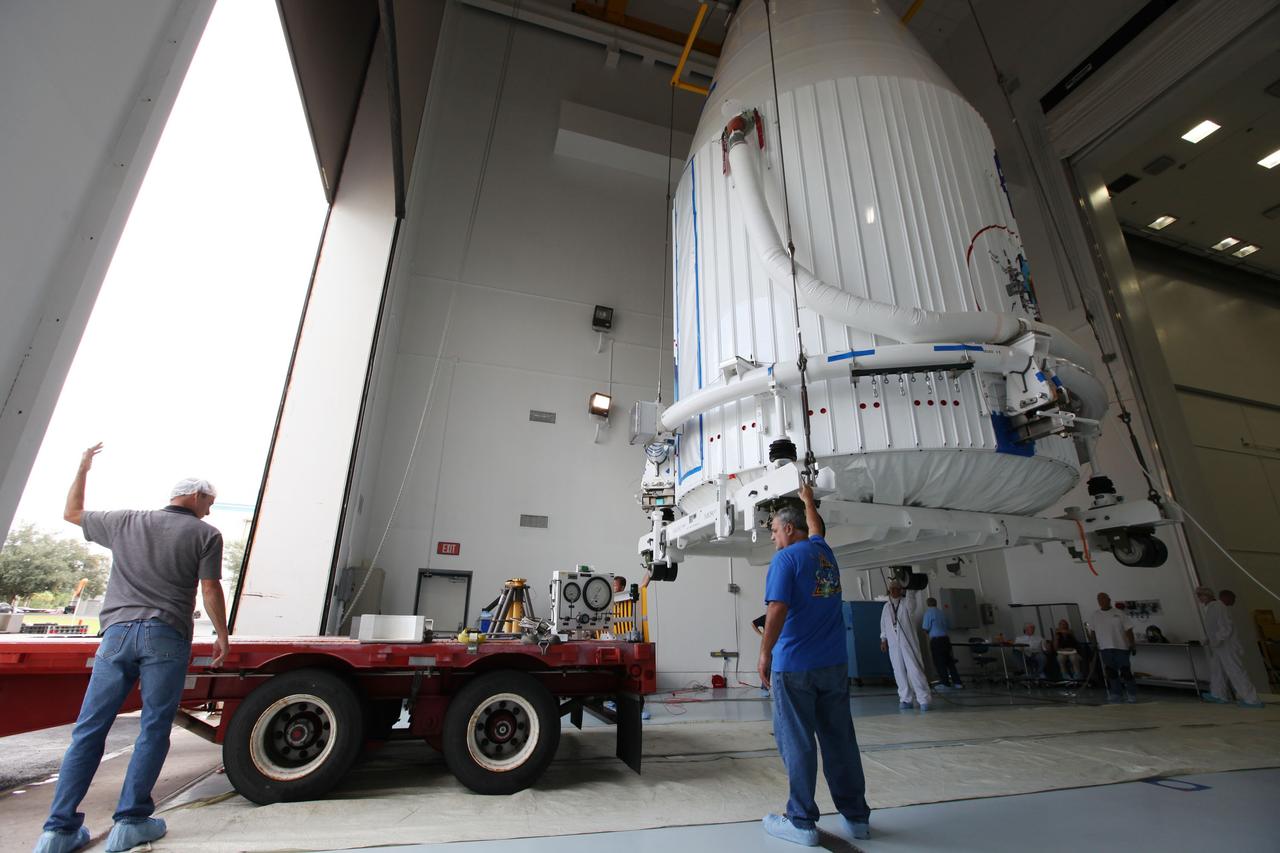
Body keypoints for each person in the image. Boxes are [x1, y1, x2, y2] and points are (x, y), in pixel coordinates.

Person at [35, 444, 229, 853]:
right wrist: (222, 635)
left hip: (117, 634)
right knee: (154, 729)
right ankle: (130, 822)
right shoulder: (206, 534)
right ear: (195, 497)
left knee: (89, 730)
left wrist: (82, 468)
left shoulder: (124, 521)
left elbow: (72, 513)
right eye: (209, 501)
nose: (210, 510)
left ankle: (57, 831)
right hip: (166, 634)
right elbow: (210, 588)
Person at [758, 484, 871, 845]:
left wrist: (764, 654)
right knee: (840, 740)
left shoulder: (785, 560)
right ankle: (856, 819)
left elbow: (776, 608)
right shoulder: (823, 552)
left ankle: (802, 821)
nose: (773, 538)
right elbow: (817, 527)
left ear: (789, 530)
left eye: (774, 530)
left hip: (794, 667)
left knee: (797, 742)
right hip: (835, 664)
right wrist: (808, 500)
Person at [1195, 586, 1262, 708]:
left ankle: (1252, 700)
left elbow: (1226, 627)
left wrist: (1217, 640)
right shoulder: (1211, 608)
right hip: (1219, 646)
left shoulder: (1218, 607)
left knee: (1235, 671)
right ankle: (1218, 694)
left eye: (1200, 596)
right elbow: (1213, 628)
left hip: (1226, 646)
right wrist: (1207, 639)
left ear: (1207, 595)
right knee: (1217, 671)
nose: (1199, 599)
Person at [880, 580, 931, 711]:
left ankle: (923, 699)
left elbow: (912, 604)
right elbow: (883, 625)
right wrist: (883, 639)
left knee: (914, 670)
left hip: (907, 642)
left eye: (896, 589)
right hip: (893, 644)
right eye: (891, 589)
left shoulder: (906, 603)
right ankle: (905, 698)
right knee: (899, 671)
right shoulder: (886, 607)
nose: (893, 591)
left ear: (900, 590)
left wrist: (910, 589)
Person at [1086, 592, 1137, 703]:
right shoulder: (1095, 615)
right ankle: (1116, 693)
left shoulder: (1119, 614)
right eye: (1099, 599)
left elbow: (1128, 630)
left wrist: (1132, 644)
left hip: (1121, 647)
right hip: (1105, 648)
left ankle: (1132, 694)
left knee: (1126, 671)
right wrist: (1093, 644)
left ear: (1109, 600)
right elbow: (1092, 631)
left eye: (1103, 599)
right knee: (1111, 672)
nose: (1101, 601)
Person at [921, 597, 963, 689]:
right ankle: (957, 682)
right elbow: (947, 626)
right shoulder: (942, 613)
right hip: (946, 640)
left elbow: (925, 628)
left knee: (939, 662)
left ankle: (945, 683)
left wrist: (928, 633)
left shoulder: (928, 613)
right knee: (950, 662)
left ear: (928, 604)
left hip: (937, 641)